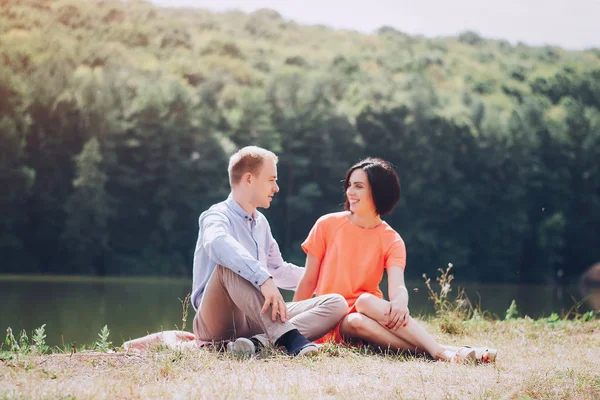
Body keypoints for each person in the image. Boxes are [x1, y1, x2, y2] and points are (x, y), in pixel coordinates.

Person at [293, 157, 496, 363]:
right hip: (331, 316)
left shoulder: (391, 239)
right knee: (354, 319)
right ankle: (443, 351)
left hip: (368, 315)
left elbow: (398, 286)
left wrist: (400, 303)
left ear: (379, 191)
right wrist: (290, 329)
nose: (350, 192)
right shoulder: (327, 224)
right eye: (349, 185)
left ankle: (442, 352)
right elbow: (308, 280)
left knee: (362, 306)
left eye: (358, 186)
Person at [190, 146, 348, 356]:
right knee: (230, 267)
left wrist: (327, 278)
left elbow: (278, 270)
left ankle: (257, 344)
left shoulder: (261, 223)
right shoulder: (216, 216)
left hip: (256, 317)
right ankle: (289, 338)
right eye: (271, 179)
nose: (276, 188)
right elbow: (217, 243)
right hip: (218, 322)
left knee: (336, 303)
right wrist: (263, 278)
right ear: (249, 179)